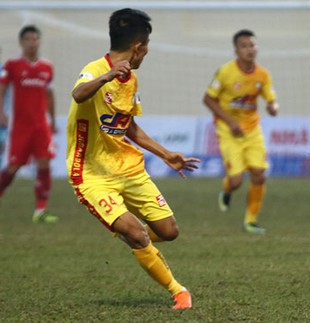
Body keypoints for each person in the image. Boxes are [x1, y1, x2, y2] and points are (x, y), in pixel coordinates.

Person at [66, 8, 200, 310]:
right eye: (147, 47)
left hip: (128, 169)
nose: (146, 54)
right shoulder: (94, 68)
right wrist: (106, 77)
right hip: (91, 174)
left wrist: (167, 155)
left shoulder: (132, 81)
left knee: (169, 231)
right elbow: (78, 94)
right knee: (137, 234)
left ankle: (128, 234)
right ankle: (178, 291)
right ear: (139, 46)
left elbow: (129, 127)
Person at [203, 29, 279, 234]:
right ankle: (227, 189)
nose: (249, 49)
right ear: (236, 51)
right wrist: (230, 121)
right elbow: (208, 99)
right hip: (228, 131)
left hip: (252, 129)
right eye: (244, 46)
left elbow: (271, 100)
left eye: (252, 45)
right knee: (236, 180)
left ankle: (250, 221)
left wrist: (273, 107)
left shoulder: (262, 75)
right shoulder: (225, 72)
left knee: (259, 174)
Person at [0, 25, 58, 223]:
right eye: (28, 39)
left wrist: (53, 120)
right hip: (20, 127)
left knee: (44, 163)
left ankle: (40, 211)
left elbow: (49, 95)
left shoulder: (47, 67)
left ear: (39, 41)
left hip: (41, 125)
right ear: (21, 42)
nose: (32, 43)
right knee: (13, 167)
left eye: (35, 39)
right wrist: (1, 112)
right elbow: (1, 89)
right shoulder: (12, 65)